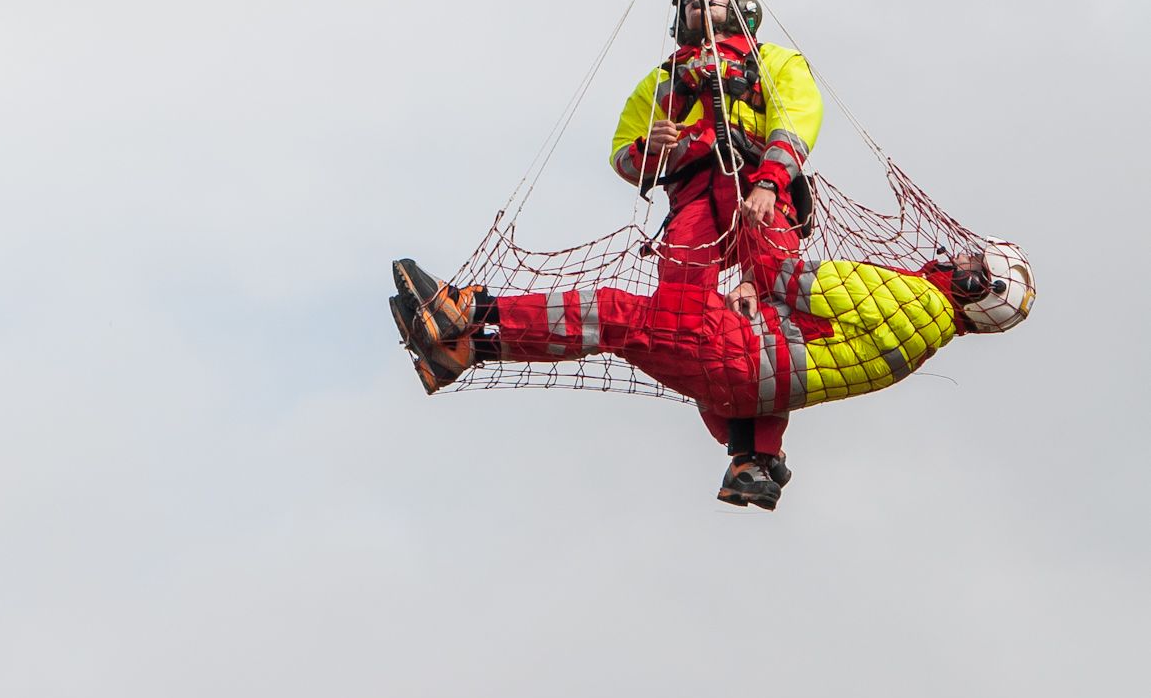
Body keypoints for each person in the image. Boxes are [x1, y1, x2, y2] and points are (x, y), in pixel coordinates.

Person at [388, 235, 1035, 512]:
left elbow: (800, 279)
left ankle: (468, 311)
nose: (959, 255)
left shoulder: (915, 301)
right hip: (744, 388)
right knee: (614, 332)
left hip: (731, 350)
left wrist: (759, 230)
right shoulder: (925, 338)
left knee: (613, 314)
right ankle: (467, 353)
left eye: (974, 261)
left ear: (978, 287)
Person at [608, 0, 825, 502]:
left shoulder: (772, 61)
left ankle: (761, 451)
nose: (702, 3)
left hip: (756, 189)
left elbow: (796, 120)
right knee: (684, 310)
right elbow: (623, 155)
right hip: (695, 204)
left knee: (773, 306)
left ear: (743, 4)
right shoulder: (660, 82)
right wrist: (647, 150)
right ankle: (744, 450)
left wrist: (770, 183)